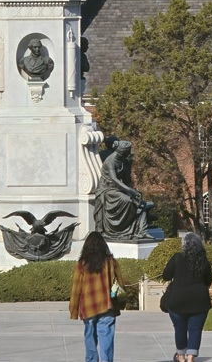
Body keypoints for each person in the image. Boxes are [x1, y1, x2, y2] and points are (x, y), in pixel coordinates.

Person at [69, 231, 124, 362]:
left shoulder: (82, 264)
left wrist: (74, 310)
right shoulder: (111, 262)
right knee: (107, 339)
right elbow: (120, 284)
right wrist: (121, 303)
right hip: (107, 305)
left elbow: (76, 289)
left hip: (88, 306)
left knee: (90, 338)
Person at [162, 232, 212, 362]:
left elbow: (166, 275)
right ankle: (191, 357)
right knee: (195, 329)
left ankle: (181, 356)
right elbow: (208, 281)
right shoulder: (204, 260)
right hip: (199, 301)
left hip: (178, 300)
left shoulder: (177, 258)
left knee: (180, 329)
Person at [94, 140, 155, 240]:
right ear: (123, 151)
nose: (130, 152)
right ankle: (121, 228)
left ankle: (142, 231)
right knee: (127, 200)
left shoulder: (124, 161)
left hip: (118, 189)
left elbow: (126, 180)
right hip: (107, 190)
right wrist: (130, 191)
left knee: (140, 203)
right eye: (129, 150)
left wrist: (133, 191)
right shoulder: (110, 161)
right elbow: (114, 179)